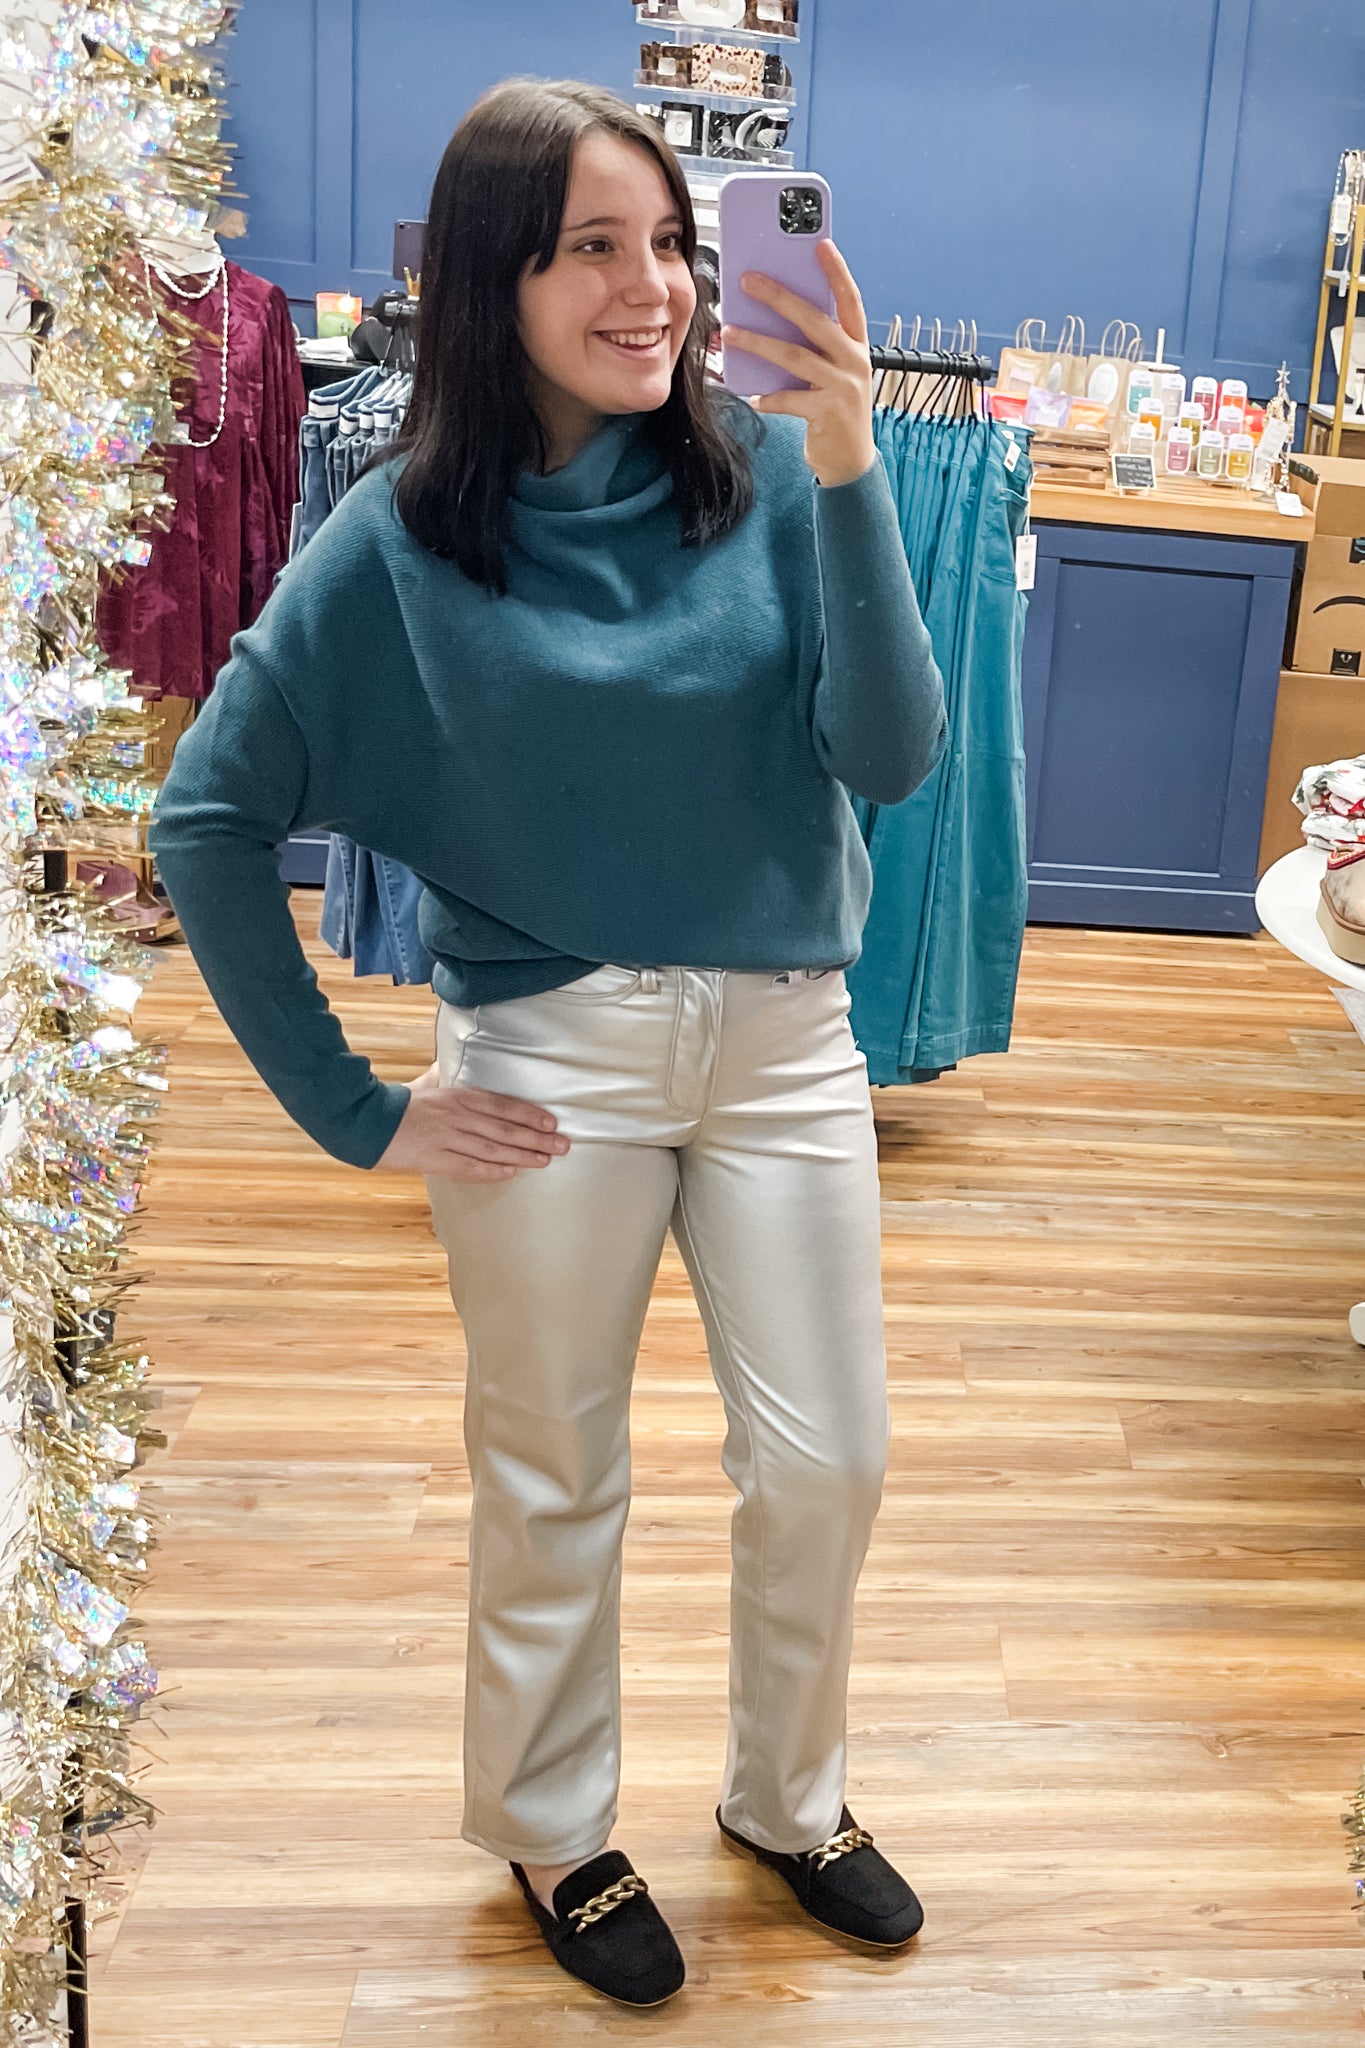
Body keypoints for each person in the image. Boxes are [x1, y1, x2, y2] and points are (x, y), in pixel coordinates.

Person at [149, 77, 947, 2009]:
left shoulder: (768, 479)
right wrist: (355, 1113)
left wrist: (849, 458)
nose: (650, 286)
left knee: (828, 1462)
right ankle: (549, 1827)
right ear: (492, 277)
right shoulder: (399, 541)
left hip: (783, 1044)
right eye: (591, 247)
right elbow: (207, 816)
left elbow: (893, 756)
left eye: (668, 242)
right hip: (547, 1062)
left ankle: (787, 1799)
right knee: (550, 1471)